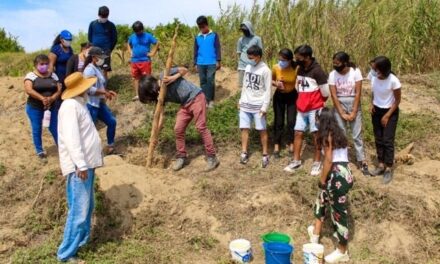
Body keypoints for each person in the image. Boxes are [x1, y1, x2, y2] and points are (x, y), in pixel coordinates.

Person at [56, 72, 103, 262]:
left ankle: (80, 243)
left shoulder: (78, 104)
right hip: (79, 168)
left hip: (85, 165)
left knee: (86, 207)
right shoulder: (69, 107)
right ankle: (66, 254)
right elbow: (72, 138)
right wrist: (81, 164)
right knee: (79, 210)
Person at [138, 67, 220, 172]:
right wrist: (155, 135)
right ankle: (181, 156)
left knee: (201, 127)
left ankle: (212, 157)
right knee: (178, 129)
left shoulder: (164, 75)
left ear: (150, 90)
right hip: (185, 104)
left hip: (196, 97)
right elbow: (161, 116)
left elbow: (185, 70)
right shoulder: (160, 95)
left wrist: (173, 77)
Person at [307, 107, 353, 264]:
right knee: (321, 198)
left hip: (336, 176)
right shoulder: (338, 134)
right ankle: (315, 234)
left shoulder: (327, 136)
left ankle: (342, 250)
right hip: (344, 173)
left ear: (321, 121)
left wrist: (322, 179)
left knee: (339, 214)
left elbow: (328, 160)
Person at [284, 45, 329, 175]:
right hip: (301, 108)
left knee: (316, 135)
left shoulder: (318, 71)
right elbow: (299, 86)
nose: (296, 59)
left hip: (314, 108)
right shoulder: (300, 70)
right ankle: (296, 161)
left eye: (299, 57)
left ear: (307, 57)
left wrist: (316, 102)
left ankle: (317, 162)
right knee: (298, 133)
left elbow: (325, 92)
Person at [329, 52, 371, 176]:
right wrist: (341, 112)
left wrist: (353, 111)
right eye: (334, 63)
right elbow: (334, 95)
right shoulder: (332, 74)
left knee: (357, 134)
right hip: (339, 103)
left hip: (353, 102)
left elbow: (358, 93)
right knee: (341, 134)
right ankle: (342, 161)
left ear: (345, 63)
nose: (335, 65)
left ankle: (362, 161)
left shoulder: (355, 72)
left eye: (337, 63)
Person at [368, 56, 401, 184]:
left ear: (382, 69)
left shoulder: (394, 81)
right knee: (378, 138)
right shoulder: (373, 77)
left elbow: (397, 100)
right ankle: (380, 164)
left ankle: (388, 167)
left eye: (375, 68)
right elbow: (373, 92)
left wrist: (387, 115)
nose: (373, 70)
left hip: (390, 112)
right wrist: (372, 103)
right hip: (376, 110)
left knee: (387, 140)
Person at [238, 45, 272, 168]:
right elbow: (245, 85)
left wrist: (264, 108)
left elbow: (268, 90)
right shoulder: (248, 67)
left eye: (251, 57)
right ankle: (244, 152)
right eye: (248, 57)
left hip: (258, 106)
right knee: (244, 128)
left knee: (262, 130)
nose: (250, 59)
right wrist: (241, 100)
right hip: (245, 104)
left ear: (258, 56)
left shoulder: (266, 70)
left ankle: (265, 154)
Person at [24, 54, 62, 162]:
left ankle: (61, 147)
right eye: (41, 64)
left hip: (51, 107)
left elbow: (58, 90)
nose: (44, 66)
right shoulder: (30, 76)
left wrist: (52, 98)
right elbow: (29, 90)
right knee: (37, 128)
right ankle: (39, 150)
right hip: (35, 107)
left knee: (55, 127)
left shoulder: (53, 75)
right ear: (36, 65)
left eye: (46, 64)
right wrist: (42, 98)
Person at [83, 47, 118, 154]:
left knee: (112, 122)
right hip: (91, 104)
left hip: (99, 103)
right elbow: (89, 89)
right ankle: (89, 152)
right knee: (90, 130)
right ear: (93, 57)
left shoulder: (97, 68)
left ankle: (110, 145)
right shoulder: (89, 70)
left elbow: (100, 85)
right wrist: (104, 93)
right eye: (100, 58)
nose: (102, 60)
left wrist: (107, 91)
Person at [271, 48, 298, 159]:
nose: (281, 61)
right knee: (279, 121)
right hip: (279, 96)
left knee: (291, 121)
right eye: (279, 59)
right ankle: (277, 144)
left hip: (292, 95)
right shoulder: (275, 67)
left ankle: (291, 142)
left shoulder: (296, 68)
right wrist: (276, 84)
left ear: (290, 60)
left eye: (284, 60)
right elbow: (271, 80)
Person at [194, 15, 221, 108]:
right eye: (200, 27)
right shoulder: (197, 37)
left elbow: (217, 48)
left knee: (210, 81)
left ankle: (211, 100)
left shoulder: (214, 35)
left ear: (207, 25)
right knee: (203, 81)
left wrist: (218, 60)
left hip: (211, 62)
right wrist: (195, 63)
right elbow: (195, 51)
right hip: (200, 62)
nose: (202, 29)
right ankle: (205, 100)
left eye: (203, 27)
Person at [128, 20, 159, 101]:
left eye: (139, 31)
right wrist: (130, 52)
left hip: (145, 61)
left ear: (142, 29)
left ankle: (148, 95)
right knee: (136, 78)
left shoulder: (148, 36)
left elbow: (156, 43)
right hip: (134, 61)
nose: (138, 33)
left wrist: (153, 53)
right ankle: (138, 95)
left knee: (147, 79)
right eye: (136, 31)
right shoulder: (132, 36)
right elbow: (128, 44)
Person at [88, 5, 117, 79]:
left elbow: (114, 39)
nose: (104, 18)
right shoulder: (92, 24)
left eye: (105, 17)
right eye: (102, 16)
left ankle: (104, 87)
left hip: (106, 51)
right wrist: (94, 46)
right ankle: (96, 88)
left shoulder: (111, 25)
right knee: (94, 68)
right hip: (95, 50)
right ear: (98, 15)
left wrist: (109, 49)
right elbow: (89, 37)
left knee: (104, 69)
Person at [236, 21, 263, 88]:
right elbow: (239, 52)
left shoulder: (257, 39)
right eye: (243, 30)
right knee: (241, 86)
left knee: (252, 85)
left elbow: (260, 52)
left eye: (245, 30)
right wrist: (243, 60)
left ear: (250, 29)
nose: (244, 32)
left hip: (253, 65)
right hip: (242, 66)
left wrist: (257, 64)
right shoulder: (240, 40)